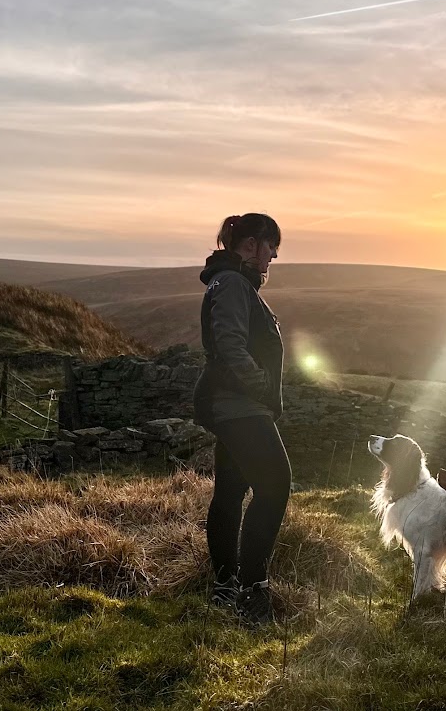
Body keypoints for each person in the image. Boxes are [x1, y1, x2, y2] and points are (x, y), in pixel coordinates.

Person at [193, 213, 291, 626]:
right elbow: (229, 343)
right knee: (275, 485)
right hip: (238, 404)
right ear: (251, 245)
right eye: (271, 247)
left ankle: (225, 585)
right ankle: (254, 590)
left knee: (231, 491)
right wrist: (259, 385)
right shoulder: (233, 283)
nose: (273, 257)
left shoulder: (230, 281)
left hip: (233, 403)